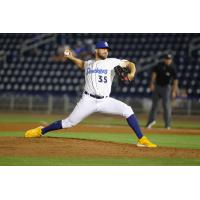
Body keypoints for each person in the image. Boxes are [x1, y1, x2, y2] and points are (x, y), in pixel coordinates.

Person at [25, 41, 157, 148]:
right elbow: (82, 64)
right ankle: (41, 131)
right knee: (69, 122)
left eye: (107, 49)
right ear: (96, 50)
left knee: (127, 110)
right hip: (88, 100)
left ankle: (142, 139)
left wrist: (132, 73)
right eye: (103, 48)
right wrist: (71, 57)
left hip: (105, 101)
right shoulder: (89, 63)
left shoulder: (112, 61)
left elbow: (130, 64)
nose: (106, 50)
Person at [146, 54, 178, 129]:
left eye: (169, 59)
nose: (168, 60)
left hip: (167, 88)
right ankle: (150, 122)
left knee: (166, 106)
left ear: (171, 60)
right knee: (154, 105)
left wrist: (174, 91)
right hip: (157, 86)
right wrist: (152, 84)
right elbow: (154, 74)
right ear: (164, 59)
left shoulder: (172, 68)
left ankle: (168, 124)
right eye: (167, 59)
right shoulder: (159, 65)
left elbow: (175, 80)